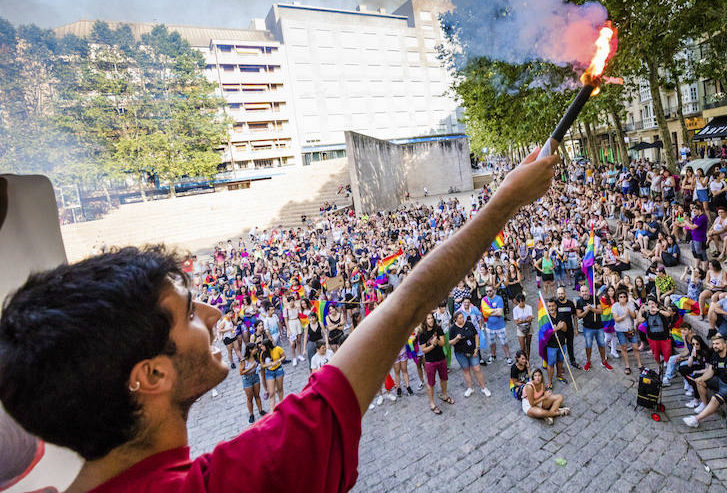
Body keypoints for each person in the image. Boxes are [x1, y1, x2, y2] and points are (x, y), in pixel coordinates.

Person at [0, 146, 558, 492]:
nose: (215, 314)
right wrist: (505, 201)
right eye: (188, 314)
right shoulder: (242, 478)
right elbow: (408, 302)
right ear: (149, 377)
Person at [682, 333, 727, 428]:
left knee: (714, 399)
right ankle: (705, 405)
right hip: (721, 381)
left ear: (724, 344)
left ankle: (696, 420)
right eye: (713, 344)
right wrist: (701, 378)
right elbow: (710, 372)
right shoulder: (715, 356)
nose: (715, 346)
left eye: (717, 343)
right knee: (700, 382)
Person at [448, 310, 490, 398]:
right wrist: (456, 339)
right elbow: (450, 342)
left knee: (477, 369)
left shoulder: (469, 324)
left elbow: (476, 335)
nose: (462, 319)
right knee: (466, 370)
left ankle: (483, 387)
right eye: (460, 318)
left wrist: (477, 348)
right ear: (455, 319)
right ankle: (470, 388)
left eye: (462, 317)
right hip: (460, 353)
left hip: (472, 351)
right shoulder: (453, 329)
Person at [417, 313, 452, 415]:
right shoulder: (422, 334)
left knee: (444, 379)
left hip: (441, 358)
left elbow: (443, 343)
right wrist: (432, 345)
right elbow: (424, 350)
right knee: (431, 383)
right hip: (430, 362)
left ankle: (444, 395)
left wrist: (437, 341)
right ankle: (432, 403)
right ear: (425, 321)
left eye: (432, 318)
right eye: (428, 318)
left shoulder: (438, 328)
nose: (431, 320)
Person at [575, 285, 614, 372]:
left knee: (601, 345)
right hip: (587, 328)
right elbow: (579, 316)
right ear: (580, 293)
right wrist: (587, 310)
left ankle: (604, 361)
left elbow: (600, 311)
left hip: (599, 326)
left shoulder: (595, 298)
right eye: (583, 291)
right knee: (588, 346)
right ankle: (588, 361)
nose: (585, 293)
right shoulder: (579, 302)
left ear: (589, 291)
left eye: (586, 291)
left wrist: (592, 309)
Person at [612, 289, 642, 375]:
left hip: (630, 329)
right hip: (620, 330)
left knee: (635, 347)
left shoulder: (630, 304)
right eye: (621, 297)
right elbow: (616, 319)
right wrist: (624, 315)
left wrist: (630, 312)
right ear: (618, 298)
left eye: (624, 297)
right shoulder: (615, 306)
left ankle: (640, 364)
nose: (622, 298)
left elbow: (634, 317)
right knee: (624, 348)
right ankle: (627, 365)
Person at [481, 286, 512, 365]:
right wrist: (494, 311)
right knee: (491, 343)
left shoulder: (499, 299)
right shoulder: (484, 300)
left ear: (494, 290)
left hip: (500, 326)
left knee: (504, 343)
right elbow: (484, 313)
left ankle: (508, 357)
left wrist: (489, 313)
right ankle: (493, 355)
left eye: (490, 291)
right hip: (489, 326)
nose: (489, 293)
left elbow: (499, 313)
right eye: (487, 291)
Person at [239, 343, 266, 424]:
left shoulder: (256, 356)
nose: (256, 350)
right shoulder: (244, 360)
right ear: (250, 350)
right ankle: (251, 415)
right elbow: (241, 372)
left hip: (255, 376)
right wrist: (251, 367)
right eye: (255, 349)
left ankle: (261, 410)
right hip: (247, 379)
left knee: (257, 395)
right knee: (249, 398)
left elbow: (260, 365)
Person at [555, 286, 580, 369]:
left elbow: (574, 317)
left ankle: (572, 360)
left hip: (569, 329)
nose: (560, 295)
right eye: (559, 294)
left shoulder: (570, 303)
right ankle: (560, 364)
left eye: (562, 293)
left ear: (565, 293)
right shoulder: (555, 304)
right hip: (559, 330)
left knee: (570, 345)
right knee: (560, 347)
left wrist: (576, 328)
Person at [513, 293, 534, 361]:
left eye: (522, 301)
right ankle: (523, 360)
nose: (521, 303)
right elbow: (517, 322)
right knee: (522, 347)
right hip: (520, 328)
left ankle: (527, 359)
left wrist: (522, 320)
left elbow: (530, 318)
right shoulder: (515, 310)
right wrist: (526, 320)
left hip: (528, 327)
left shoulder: (529, 307)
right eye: (519, 301)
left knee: (528, 345)